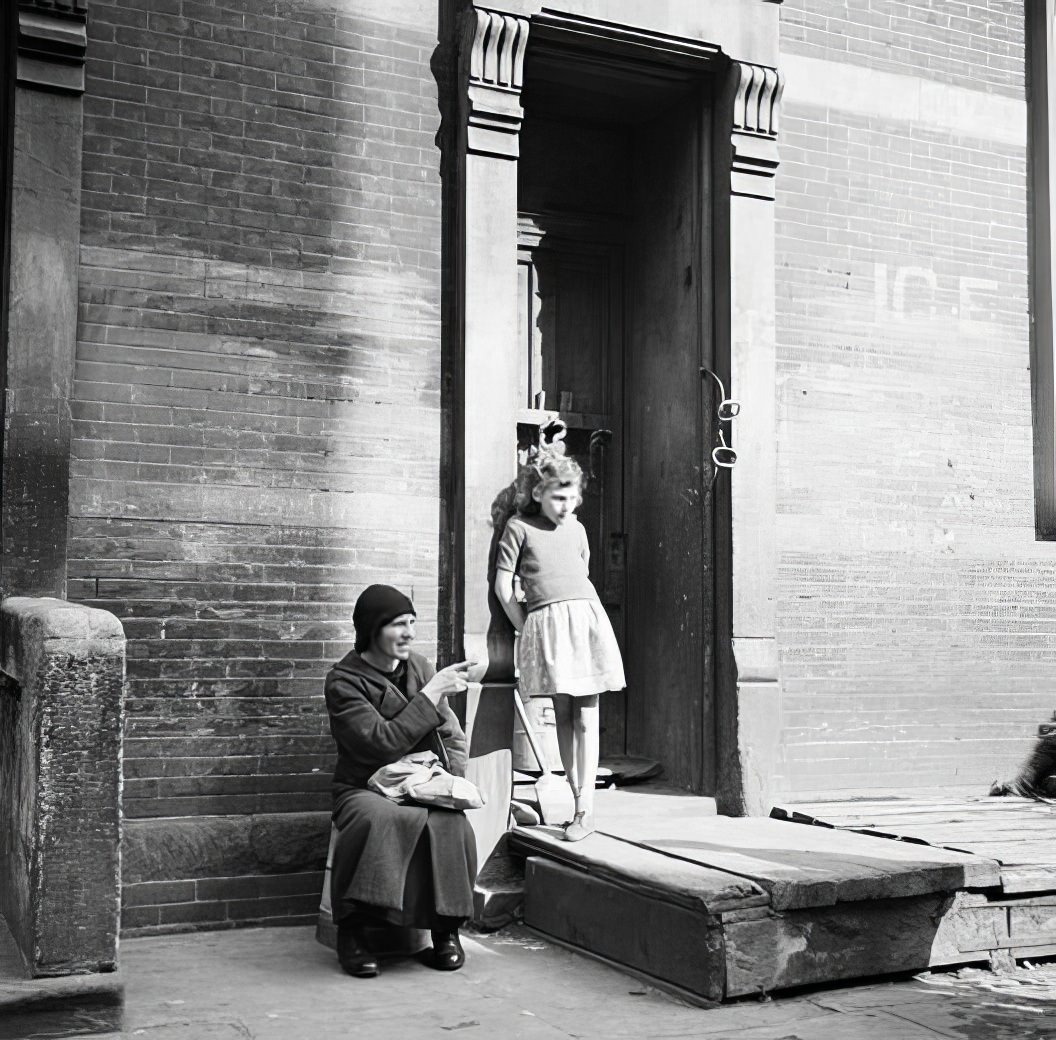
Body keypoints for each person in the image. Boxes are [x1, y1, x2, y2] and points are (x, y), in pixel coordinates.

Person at [324, 584, 477, 978]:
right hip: (363, 786)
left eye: (412, 622)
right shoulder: (344, 682)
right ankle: (354, 933)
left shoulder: (422, 668)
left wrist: (451, 783)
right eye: (397, 624)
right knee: (378, 818)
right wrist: (432, 693)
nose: (409, 632)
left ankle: (445, 930)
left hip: (422, 782)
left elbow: (450, 736)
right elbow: (380, 743)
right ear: (373, 630)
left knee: (448, 821)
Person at [494, 451, 626, 841]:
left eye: (572, 497)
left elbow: (581, 572)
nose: (566, 506)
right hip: (546, 624)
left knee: (587, 716)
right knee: (564, 716)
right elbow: (504, 589)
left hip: (584, 622)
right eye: (557, 497)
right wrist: (528, 628)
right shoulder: (518, 528)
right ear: (538, 492)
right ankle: (576, 801)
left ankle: (587, 809)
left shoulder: (579, 529)